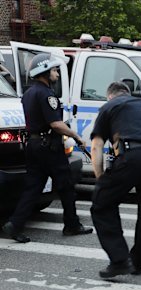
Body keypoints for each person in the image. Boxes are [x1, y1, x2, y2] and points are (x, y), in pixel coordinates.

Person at [2, 53, 92, 243]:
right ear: (44, 72)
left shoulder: (28, 93)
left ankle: (15, 225)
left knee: (33, 187)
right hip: (49, 147)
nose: (57, 74)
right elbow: (56, 124)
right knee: (66, 186)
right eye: (54, 70)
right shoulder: (46, 94)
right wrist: (75, 136)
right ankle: (72, 225)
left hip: (34, 146)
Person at [89, 82, 141, 278]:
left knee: (102, 203)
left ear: (110, 96)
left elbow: (96, 147)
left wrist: (101, 180)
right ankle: (139, 260)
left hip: (134, 156)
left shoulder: (109, 107)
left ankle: (119, 260)